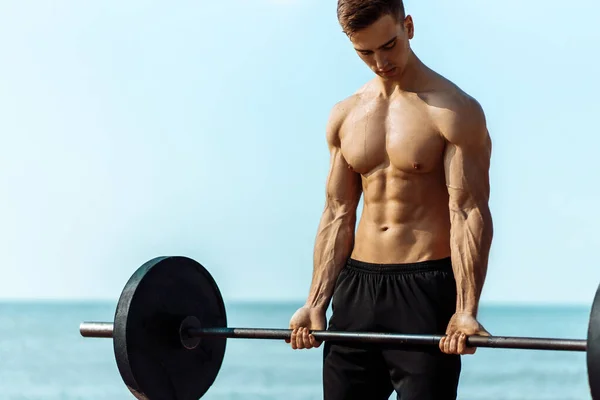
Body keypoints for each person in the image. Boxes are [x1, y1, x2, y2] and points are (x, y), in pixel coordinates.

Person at [286, 0, 494, 399]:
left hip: (423, 291)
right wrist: (315, 303)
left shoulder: (452, 110)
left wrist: (466, 310)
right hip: (356, 291)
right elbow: (337, 213)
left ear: (408, 27)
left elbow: (468, 211)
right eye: (365, 52)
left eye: (389, 45)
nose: (380, 61)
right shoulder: (345, 115)